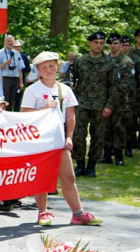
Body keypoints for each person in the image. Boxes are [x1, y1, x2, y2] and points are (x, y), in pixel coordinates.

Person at [22, 52, 103, 227]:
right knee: (42, 178)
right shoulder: (32, 90)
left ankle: (78, 213)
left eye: (52, 66)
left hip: (59, 138)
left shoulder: (65, 89)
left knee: (69, 177)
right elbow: (24, 114)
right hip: (40, 140)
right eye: (44, 67)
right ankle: (42, 212)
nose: (49, 70)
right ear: (38, 70)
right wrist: (44, 108)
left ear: (57, 67)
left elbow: (70, 115)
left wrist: (69, 137)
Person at [70, 31, 113, 178]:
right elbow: (72, 82)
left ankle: (91, 166)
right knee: (78, 134)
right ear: (90, 43)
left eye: (101, 43)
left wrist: (109, 105)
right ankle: (80, 164)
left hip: (100, 104)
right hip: (81, 103)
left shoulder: (109, 62)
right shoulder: (80, 61)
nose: (99, 46)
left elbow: (113, 86)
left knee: (98, 135)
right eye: (96, 43)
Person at [105, 34, 136, 166]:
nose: (113, 46)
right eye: (111, 43)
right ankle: (107, 155)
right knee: (106, 128)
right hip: (105, 100)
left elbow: (126, 84)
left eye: (116, 43)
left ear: (120, 44)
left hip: (121, 101)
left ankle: (119, 156)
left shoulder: (126, 61)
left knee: (119, 128)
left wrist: (112, 100)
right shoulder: (105, 60)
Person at [0, 35, 23, 111]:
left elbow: (20, 69)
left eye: (11, 41)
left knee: (13, 99)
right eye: (8, 41)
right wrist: (6, 63)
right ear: (4, 42)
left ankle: (10, 114)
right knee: (5, 99)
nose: (10, 43)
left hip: (15, 78)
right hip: (5, 79)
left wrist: (21, 82)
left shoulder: (17, 53)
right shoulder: (0, 53)